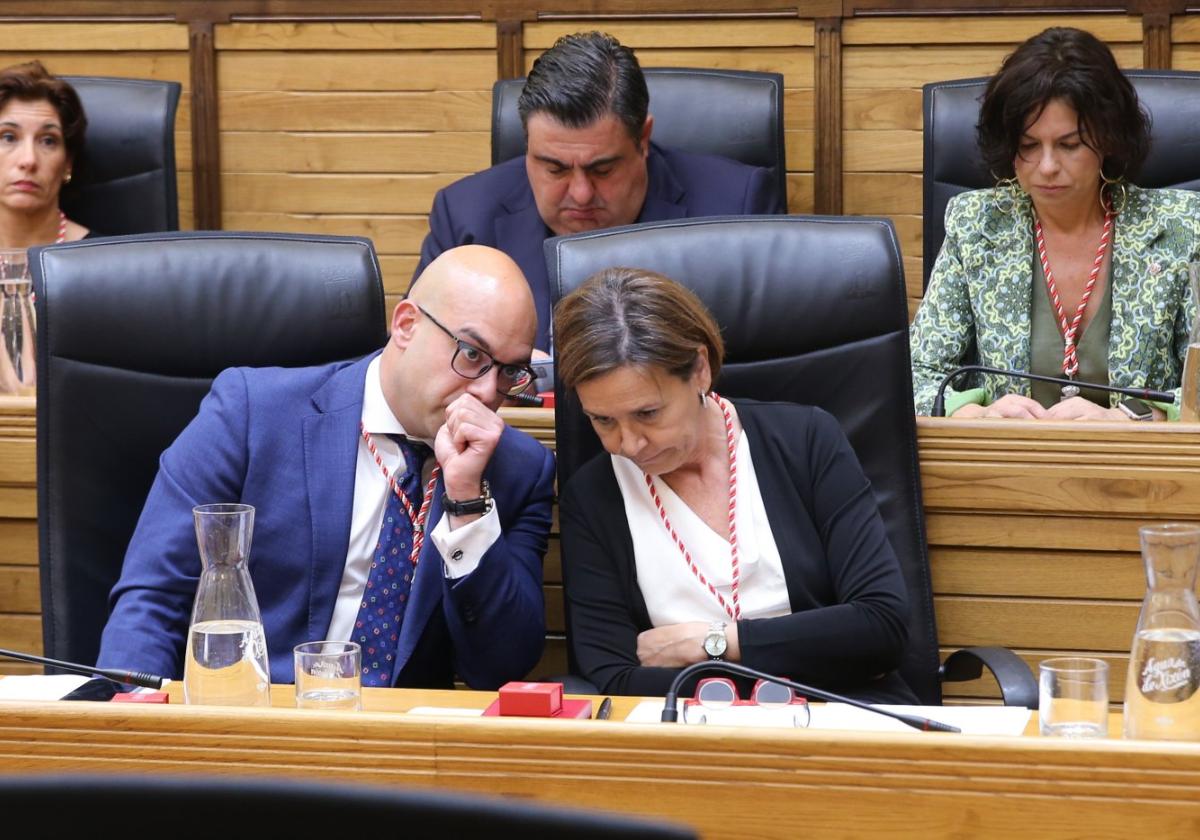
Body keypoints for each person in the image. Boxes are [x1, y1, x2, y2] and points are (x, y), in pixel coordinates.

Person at [96, 245, 555, 690]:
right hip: (249, 724)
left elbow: (499, 669)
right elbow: (153, 599)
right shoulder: (251, 413)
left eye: (509, 372)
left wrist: (467, 502)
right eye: (472, 354)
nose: (486, 393)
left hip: (396, 746)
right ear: (407, 324)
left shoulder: (517, 471)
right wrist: (129, 732)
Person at [554, 267, 914, 701]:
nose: (629, 444)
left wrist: (711, 644)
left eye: (648, 413)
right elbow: (617, 679)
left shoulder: (807, 440)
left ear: (700, 370)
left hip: (842, 721)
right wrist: (812, 654)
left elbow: (881, 626)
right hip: (684, 738)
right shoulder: (593, 496)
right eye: (603, 420)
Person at [412, 31, 783, 352]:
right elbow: (417, 359)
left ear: (643, 140)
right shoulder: (465, 218)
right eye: (554, 168)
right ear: (527, 145)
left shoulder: (735, 208)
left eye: (602, 169)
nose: (581, 193)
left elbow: (767, 368)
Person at [910, 27, 1200, 420]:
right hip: (1010, 468)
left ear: (1109, 139)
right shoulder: (977, 226)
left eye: (1069, 144)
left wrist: (1132, 417)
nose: (1047, 167)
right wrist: (976, 413)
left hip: (1139, 472)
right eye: (1029, 146)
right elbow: (916, 376)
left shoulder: (1182, 228)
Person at [0, 60, 91, 248]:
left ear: (68, 162)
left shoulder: (105, 261)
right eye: (8, 137)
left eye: (48, 141)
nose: (29, 160)